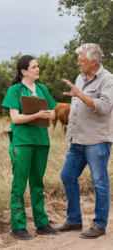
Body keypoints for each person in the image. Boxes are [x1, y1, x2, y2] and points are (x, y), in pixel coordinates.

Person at [56, 43, 113, 239]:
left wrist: (79, 94)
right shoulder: (80, 78)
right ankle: (74, 220)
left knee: (99, 182)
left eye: (82, 60)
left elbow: (104, 107)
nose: (79, 64)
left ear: (94, 62)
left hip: (97, 140)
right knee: (67, 176)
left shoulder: (108, 79)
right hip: (77, 140)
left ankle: (99, 224)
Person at [2, 55, 59, 240]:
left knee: (37, 184)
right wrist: (36, 115)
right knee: (19, 185)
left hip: (41, 141)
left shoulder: (42, 88)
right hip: (22, 143)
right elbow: (16, 119)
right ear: (23, 71)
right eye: (34, 67)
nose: (38, 69)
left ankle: (42, 223)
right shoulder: (15, 90)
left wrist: (49, 114)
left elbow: (53, 113)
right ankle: (18, 227)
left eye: (38, 66)